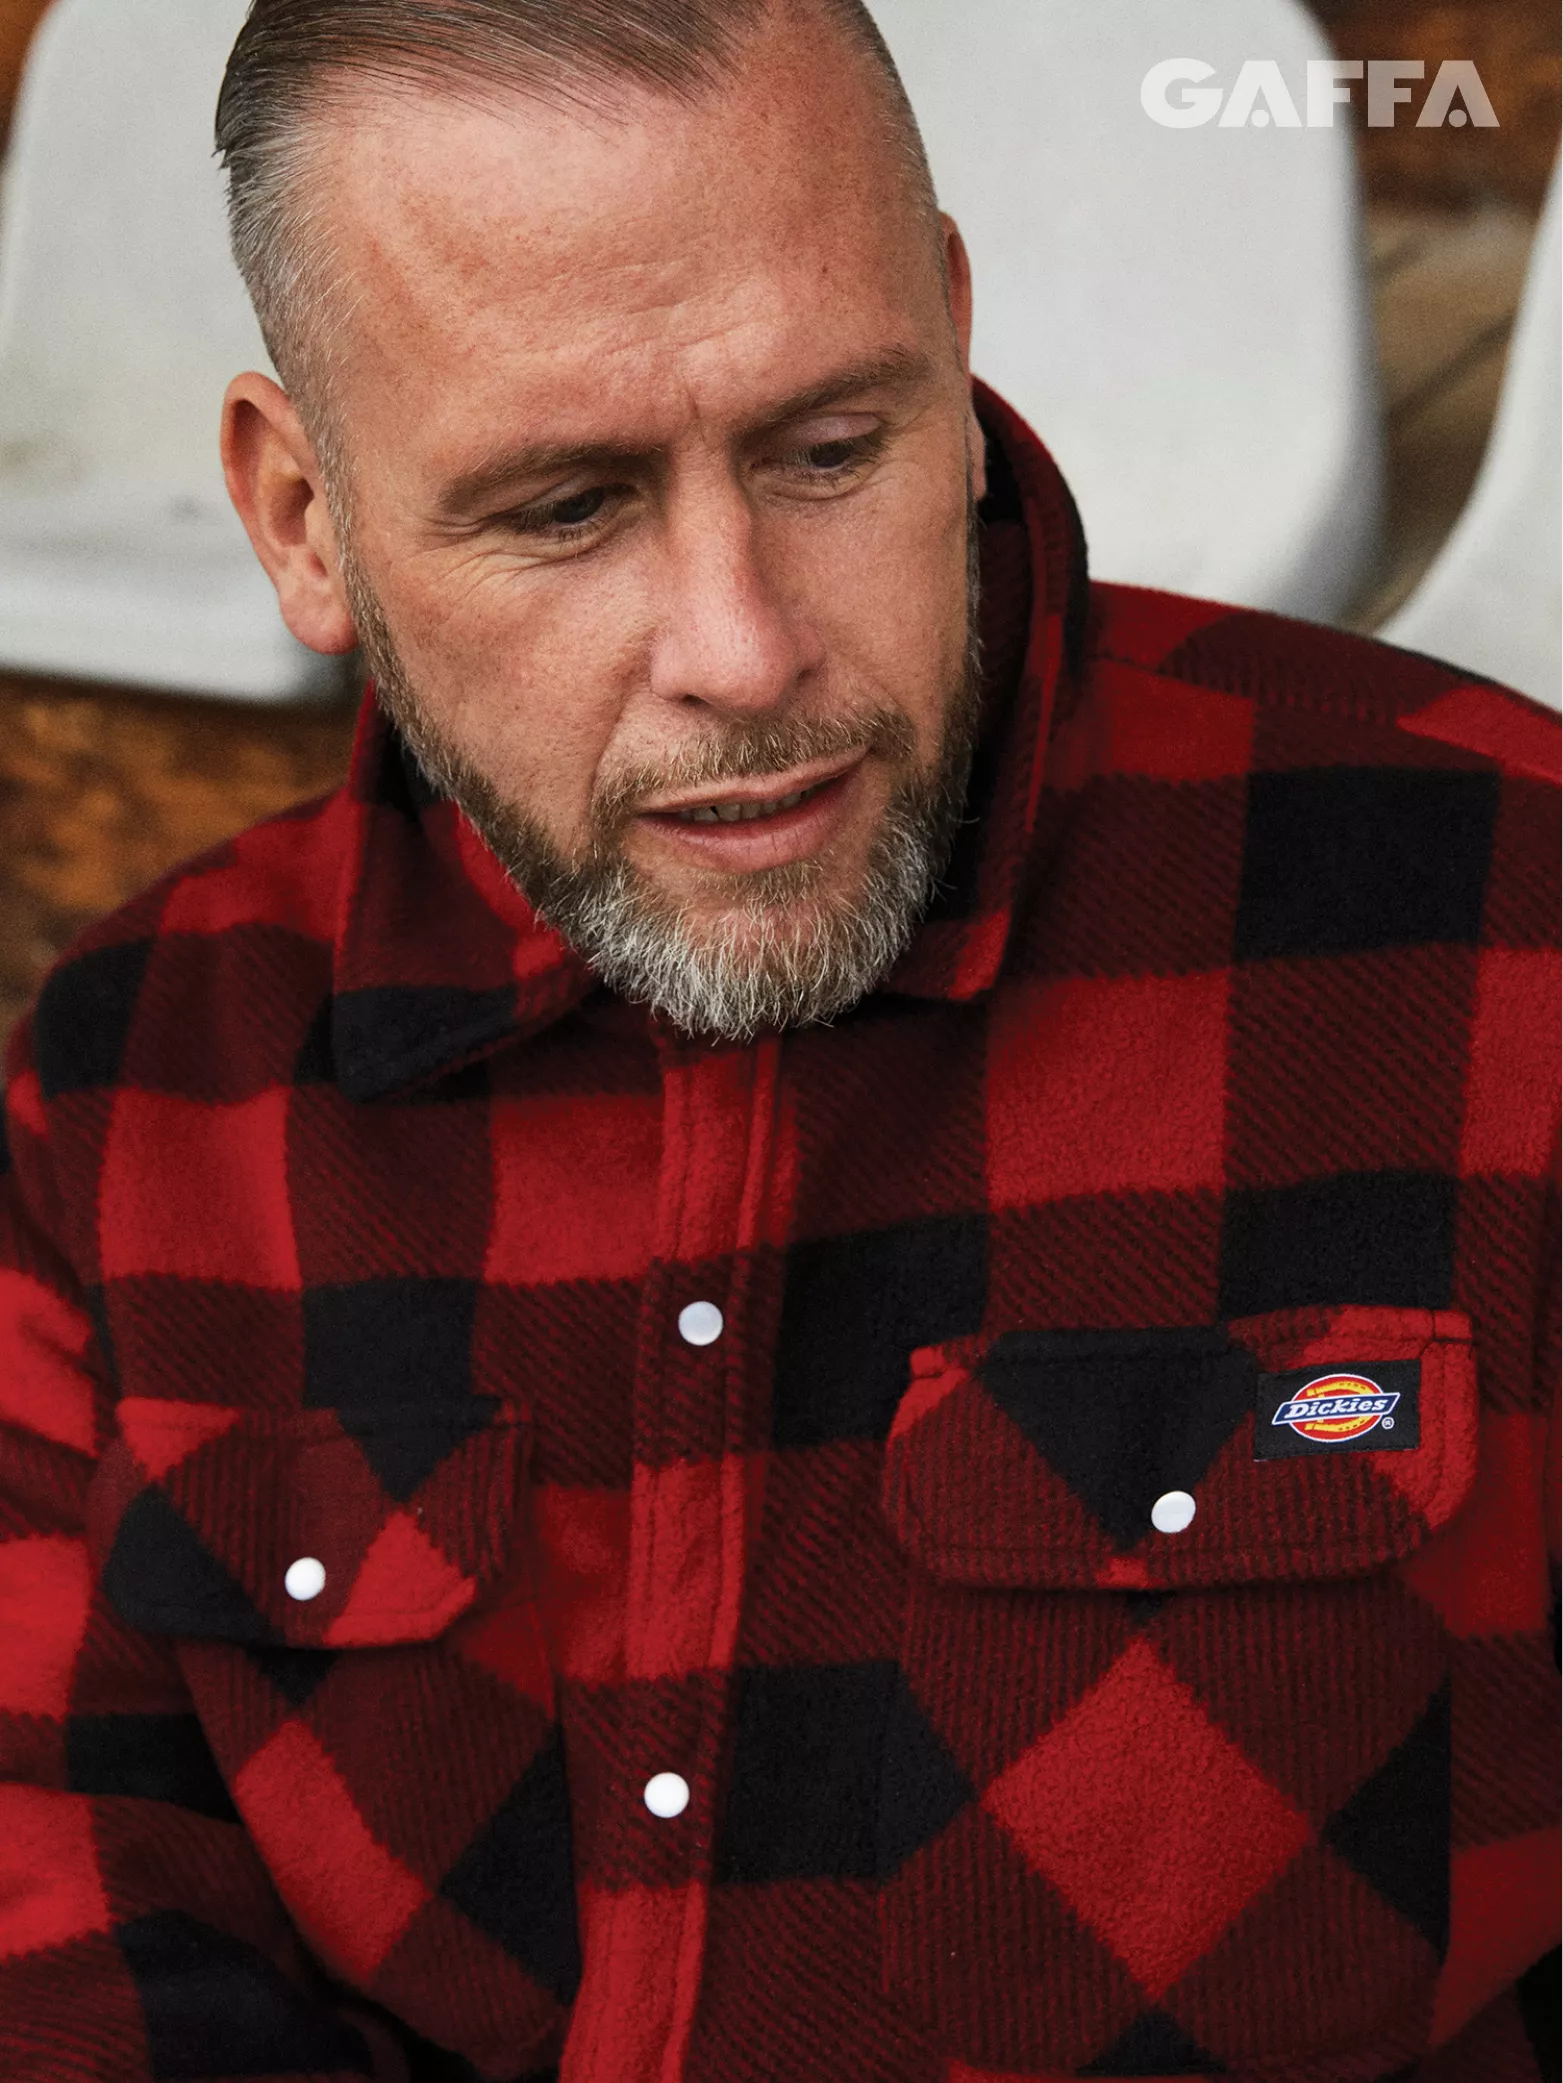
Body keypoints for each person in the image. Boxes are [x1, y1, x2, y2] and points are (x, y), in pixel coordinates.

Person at [0, 2, 1556, 2078]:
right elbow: (60, 1945)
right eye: (565, 508)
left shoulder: (1507, 930)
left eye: (830, 450)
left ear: (952, 339)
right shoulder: (127, 1094)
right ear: (304, 518)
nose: (741, 650)